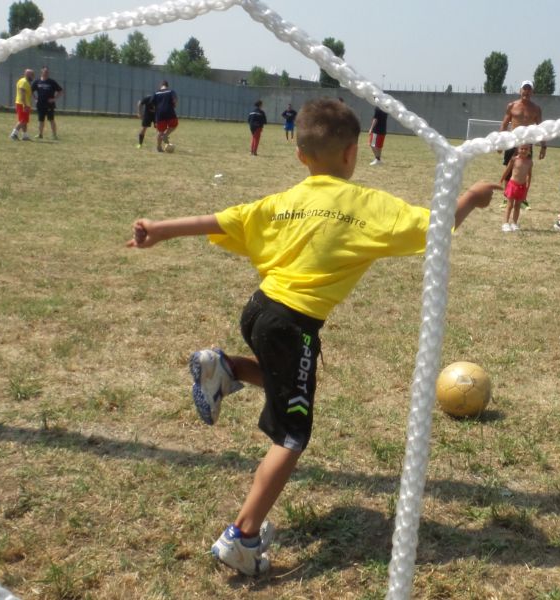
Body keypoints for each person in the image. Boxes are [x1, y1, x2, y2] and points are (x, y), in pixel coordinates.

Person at [126, 97, 500, 577]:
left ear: (301, 155)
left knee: (286, 385)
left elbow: (224, 219)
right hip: (293, 326)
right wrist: (470, 196)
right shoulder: (368, 206)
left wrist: (158, 229)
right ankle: (242, 536)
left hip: (259, 312)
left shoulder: (284, 202)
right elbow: (436, 225)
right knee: (292, 434)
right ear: (353, 154)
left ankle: (227, 369)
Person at [500, 80, 546, 166]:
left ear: (532, 92)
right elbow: (504, 124)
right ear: (520, 90)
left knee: (523, 172)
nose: (527, 91)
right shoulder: (512, 106)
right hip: (512, 141)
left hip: (526, 144)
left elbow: (541, 128)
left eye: (529, 89)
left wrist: (543, 146)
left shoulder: (536, 109)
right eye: (525, 88)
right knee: (508, 172)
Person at [499, 144, 533, 232]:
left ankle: (514, 223)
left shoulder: (529, 162)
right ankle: (505, 223)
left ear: (529, 150)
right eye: (522, 148)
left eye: (526, 149)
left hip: (522, 187)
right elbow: (507, 171)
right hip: (512, 185)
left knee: (517, 206)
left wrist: (527, 186)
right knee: (509, 205)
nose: (524, 151)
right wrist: (501, 180)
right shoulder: (514, 159)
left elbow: (529, 175)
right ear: (518, 149)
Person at [31, 66, 63, 140]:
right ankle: (40, 134)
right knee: (40, 120)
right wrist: (35, 99)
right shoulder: (37, 81)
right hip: (40, 104)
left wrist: (54, 99)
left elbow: (61, 91)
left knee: (51, 120)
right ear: (41, 72)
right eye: (45, 72)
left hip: (49, 105)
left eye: (47, 72)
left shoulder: (52, 82)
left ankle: (54, 135)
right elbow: (31, 90)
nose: (46, 73)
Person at [153, 80, 178, 153]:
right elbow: (175, 100)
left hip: (160, 114)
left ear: (161, 85)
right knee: (174, 124)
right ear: (167, 86)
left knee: (160, 131)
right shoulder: (171, 91)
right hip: (169, 112)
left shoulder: (156, 93)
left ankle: (159, 148)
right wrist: (174, 105)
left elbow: (153, 104)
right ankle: (165, 135)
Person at [10, 68, 34, 141]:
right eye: (31, 75)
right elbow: (22, 94)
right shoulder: (23, 82)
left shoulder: (25, 81)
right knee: (22, 120)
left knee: (25, 120)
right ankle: (14, 134)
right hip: (22, 104)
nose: (33, 76)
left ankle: (25, 136)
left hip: (24, 103)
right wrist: (25, 105)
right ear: (27, 74)